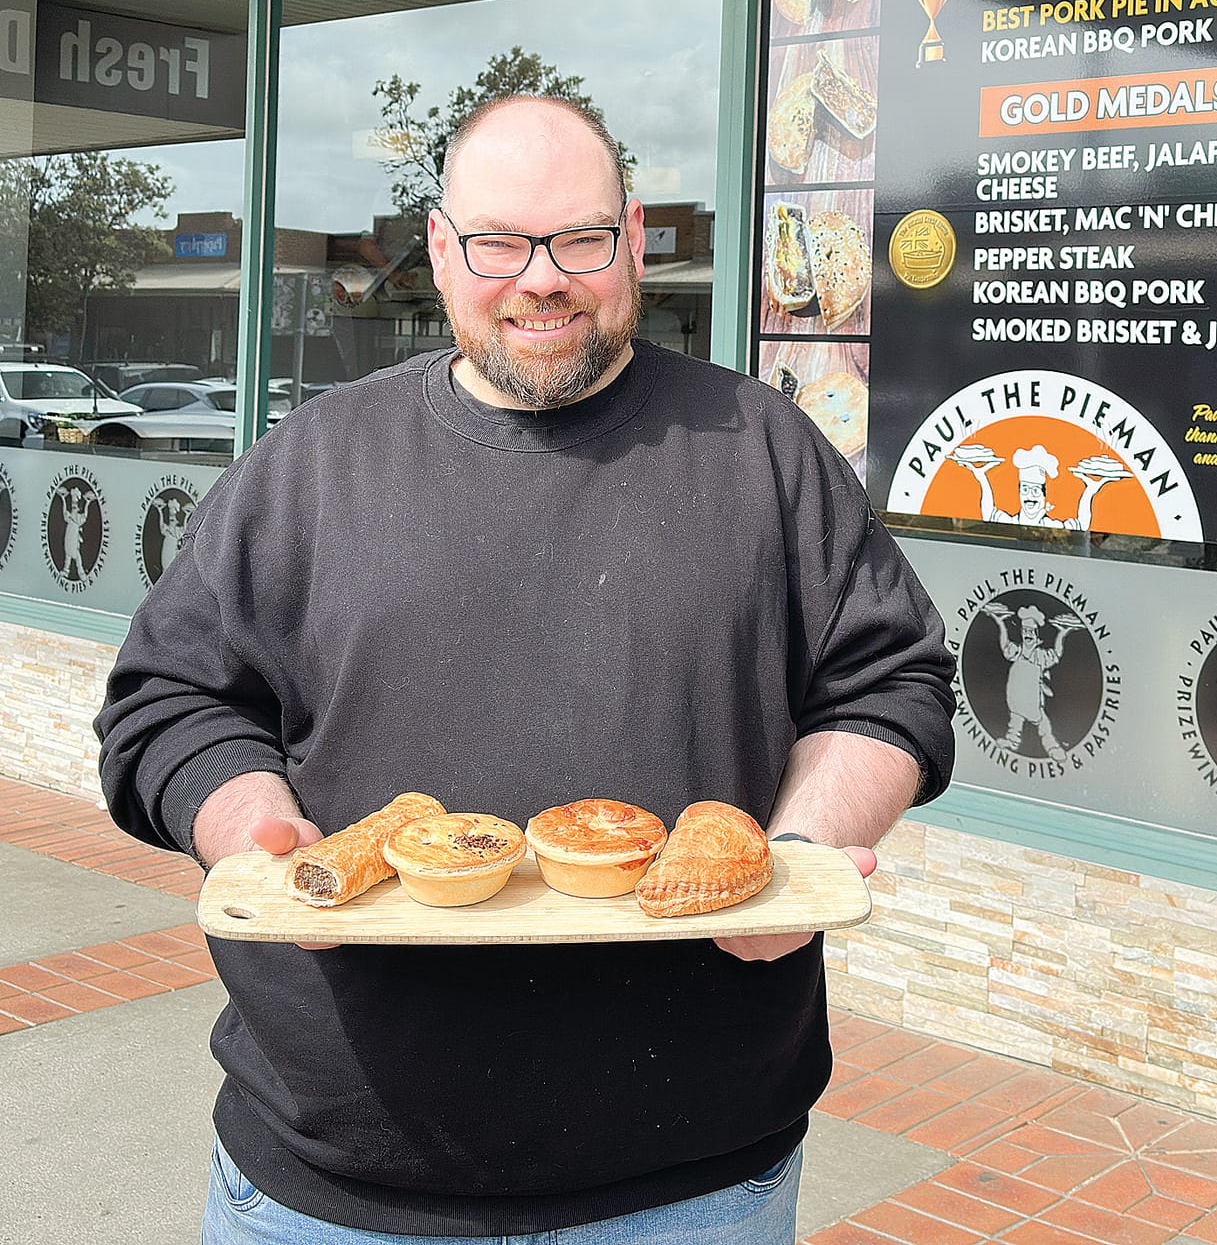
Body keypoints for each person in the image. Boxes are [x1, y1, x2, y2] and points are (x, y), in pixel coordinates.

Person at [97, 95, 959, 1243]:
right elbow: (170, 695)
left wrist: (794, 855)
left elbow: (887, 680)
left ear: (635, 239)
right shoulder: (312, 464)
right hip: (338, 1179)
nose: (540, 278)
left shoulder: (758, 450)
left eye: (579, 240)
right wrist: (253, 832)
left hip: (690, 1179)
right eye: (500, 241)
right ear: (442, 248)